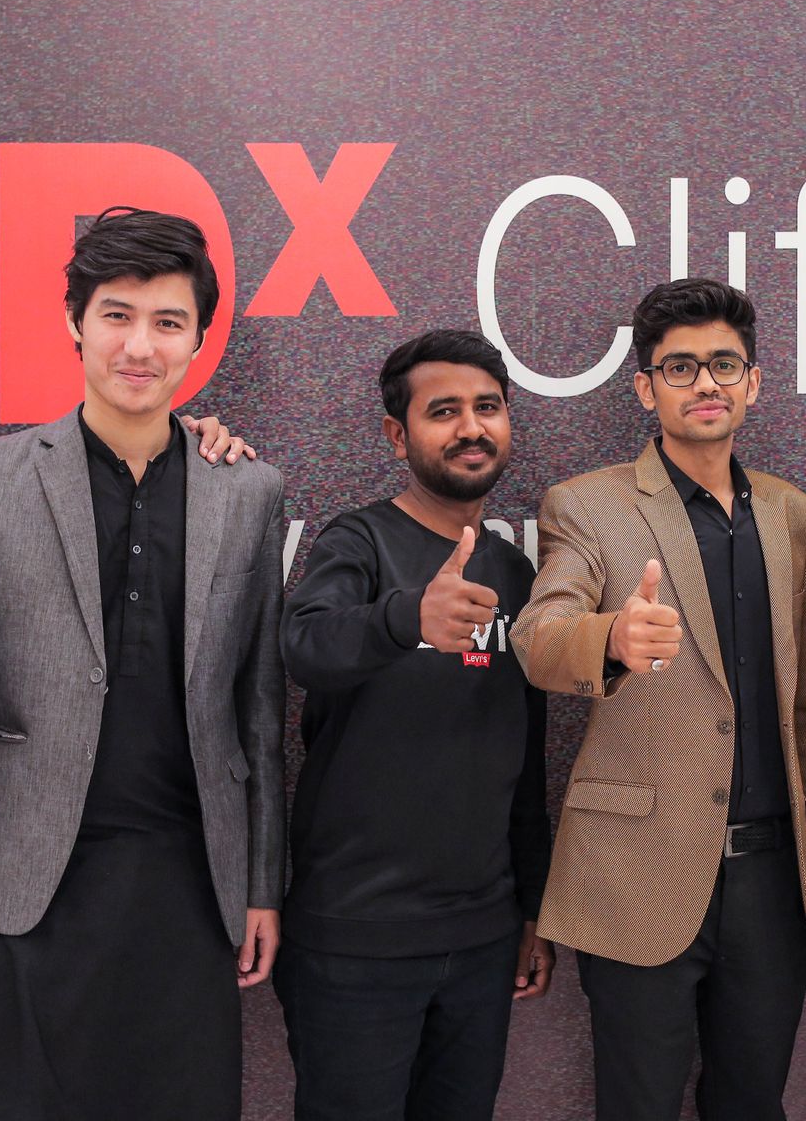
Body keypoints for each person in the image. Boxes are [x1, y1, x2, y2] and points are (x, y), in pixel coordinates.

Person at [0, 207, 283, 1120]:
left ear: (198, 339)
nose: (140, 345)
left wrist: (262, 880)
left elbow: (258, 707)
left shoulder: (247, 487)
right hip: (27, 870)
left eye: (168, 322)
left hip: (186, 874)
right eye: (116, 315)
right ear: (74, 322)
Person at [512, 278, 806, 1121]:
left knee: (753, 1102)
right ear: (645, 388)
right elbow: (537, 634)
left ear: (753, 382)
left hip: (773, 879)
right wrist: (612, 641)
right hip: (639, 872)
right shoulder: (587, 505)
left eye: (723, 364)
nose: (705, 383)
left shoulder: (791, 514)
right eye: (680, 368)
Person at [276, 328, 554, 1121]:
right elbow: (304, 645)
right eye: (444, 412)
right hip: (356, 940)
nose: (471, 427)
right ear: (399, 436)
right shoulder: (358, 541)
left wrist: (532, 906)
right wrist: (408, 618)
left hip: (483, 940)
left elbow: (524, 758)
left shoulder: (514, 572)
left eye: (488, 408)